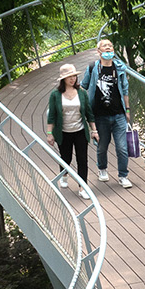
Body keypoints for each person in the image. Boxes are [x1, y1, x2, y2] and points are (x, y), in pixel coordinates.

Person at [82, 38, 133, 189]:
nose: (108, 48)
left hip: (118, 115)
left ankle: (123, 176)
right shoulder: (92, 68)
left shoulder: (119, 68)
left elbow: (125, 90)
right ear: (99, 51)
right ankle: (102, 169)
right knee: (102, 146)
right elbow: (84, 87)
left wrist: (127, 110)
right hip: (100, 116)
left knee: (122, 148)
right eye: (105, 46)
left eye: (110, 46)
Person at [44, 63, 95, 199]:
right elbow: (52, 115)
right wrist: (49, 133)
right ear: (63, 79)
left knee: (82, 160)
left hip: (80, 131)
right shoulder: (55, 95)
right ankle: (64, 175)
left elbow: (89, 113)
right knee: (66, 157)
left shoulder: (82, 93)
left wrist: (94, 130)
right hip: (64, 132)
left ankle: (82, 187)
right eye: (69, 77)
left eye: (74, 76)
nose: (72, 79)